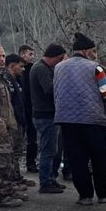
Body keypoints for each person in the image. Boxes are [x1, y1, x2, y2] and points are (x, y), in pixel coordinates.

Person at [54, 32, 106, 205]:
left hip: (67, 121)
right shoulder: (95, 67)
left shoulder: (59, 67)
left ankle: (85, 196)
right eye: (93, 51)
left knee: (77, 159)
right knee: (99, 159)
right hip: (93, 120)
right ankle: (103, 194)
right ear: (87, 51)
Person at [30, 43, 67, 193]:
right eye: (59, 60)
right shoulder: (40, 69)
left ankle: (50, 178)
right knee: (48, 150)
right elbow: (49, 89)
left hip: (48, 114)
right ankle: (45, 182)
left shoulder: (44, 67)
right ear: (53, 57)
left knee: (53, 149)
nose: (59, 63)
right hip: (44, 115)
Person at [3, 54, 36, 187]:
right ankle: (12, 180)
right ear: (12, 66)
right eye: (21, 66)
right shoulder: (6, 80)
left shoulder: (17, 80)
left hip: (20, 120)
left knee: (17, 151)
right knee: (12, 153)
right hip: (12, 122)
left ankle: (16, 176)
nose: (23, 69)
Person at [0, 46, 24, 208]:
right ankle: (3, 195)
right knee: (2, 163)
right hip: (0, 129)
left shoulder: (2, 79)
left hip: (6, 127)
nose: (1, 59)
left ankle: (7, 190)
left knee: (7, 161)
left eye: (3, 55)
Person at [19, 45, 38, 173]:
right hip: (20, 109)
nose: (32, 57)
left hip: (32, 108)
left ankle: (31, 163)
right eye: (30, 54)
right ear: (22, 54)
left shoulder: (34, 69)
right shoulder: (15, 69)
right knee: (18, 138)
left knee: (32, 138)